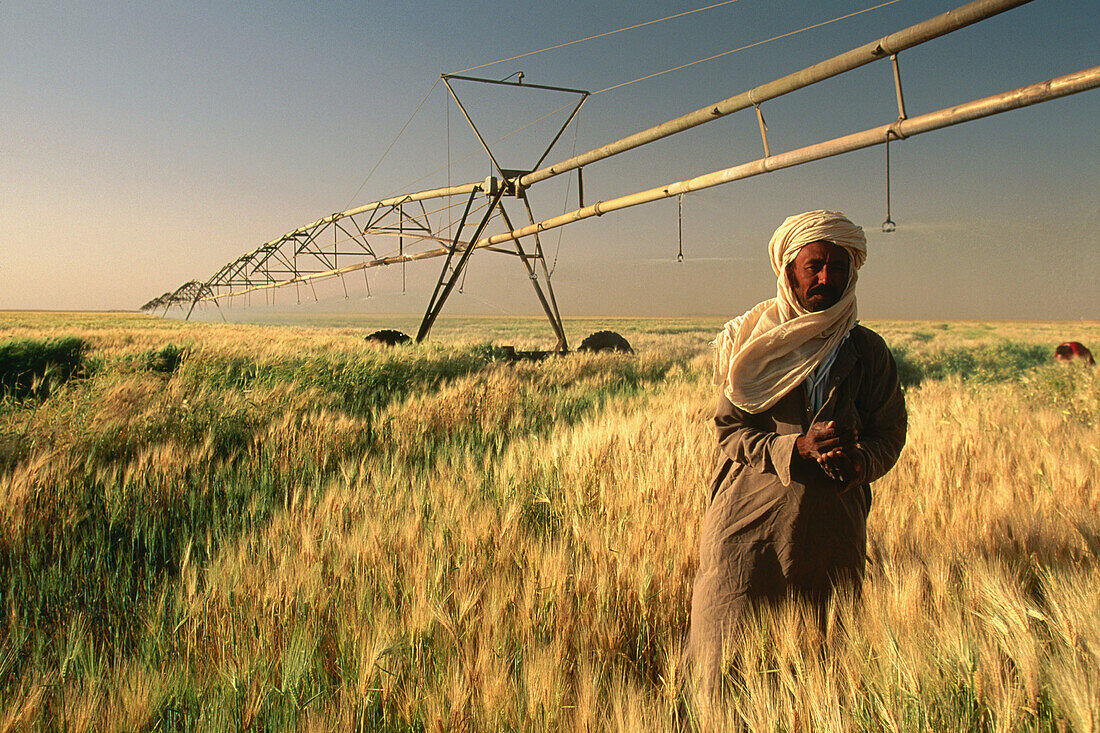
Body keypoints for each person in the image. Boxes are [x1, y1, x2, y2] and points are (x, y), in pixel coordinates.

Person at [682, 210, 907, 685]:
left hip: (834, 530)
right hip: (751, 524)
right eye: (814, 266)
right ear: (788, 272)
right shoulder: (753, 343)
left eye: (839, 266)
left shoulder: (867, 352)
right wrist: (794, 449)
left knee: (821, 669)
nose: (827, 277)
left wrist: (862, 462)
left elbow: (890, 433)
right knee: (724, 659)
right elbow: (729, 430)